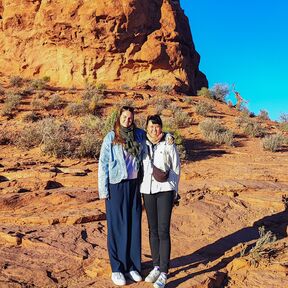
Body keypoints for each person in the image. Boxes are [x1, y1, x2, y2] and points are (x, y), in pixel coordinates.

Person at [98, 106, 145, 286]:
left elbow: (154, 135)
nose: (128, 120)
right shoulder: (111, 137)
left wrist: (168, 137)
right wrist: (103, 191)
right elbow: (103, 165)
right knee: (117, 226)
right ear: (119, 118)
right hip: (116, 185)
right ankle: (117, 268)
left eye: (130, 118)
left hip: (134, 185)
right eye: (125, 117)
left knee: (133, 224)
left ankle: (133, 266)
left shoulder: (139, 135)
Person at [140, 114, 181, 288]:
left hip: (165, 190)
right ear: (146, 127)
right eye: (150, 126)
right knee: (152, 230)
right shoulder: (142, 143)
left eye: (156, 127)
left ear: (161, 128)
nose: (153, 129)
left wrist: (174, 191)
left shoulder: (168, 143)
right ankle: (156, 266)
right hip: (147, 190)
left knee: (163, 230)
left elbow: (176, 168)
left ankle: (164, 272)